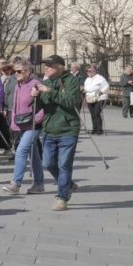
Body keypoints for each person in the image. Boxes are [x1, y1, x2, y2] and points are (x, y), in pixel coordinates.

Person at [33, 55, 83, 211]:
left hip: (68, 129)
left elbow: (71, 102)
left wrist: (50, 91)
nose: (46, 67)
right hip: (49, 129)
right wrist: (34, 97)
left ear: (60, 66)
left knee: (64, 164)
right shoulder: (45, 82)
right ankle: (68, 184)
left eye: (50, 65)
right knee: (47, 162)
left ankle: (61, 197)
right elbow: (39, 106)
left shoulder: (71, 81)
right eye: (45, 65)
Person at [2, 58, 44, 195]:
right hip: (21, 124)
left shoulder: (36, 84)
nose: (16, 74)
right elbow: (14, 107)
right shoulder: (18, 85)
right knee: (34, 155)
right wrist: (14, 123)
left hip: (33, 125)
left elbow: (44, 106)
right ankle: (38, 184)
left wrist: (37, 119)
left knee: (20, 151)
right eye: (15, 72)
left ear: (28, 71)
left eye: (19, 71)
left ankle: (16, 183)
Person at [83, 65, 110, 135]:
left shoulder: (100, 78)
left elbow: (107, 86)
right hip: (90, 98)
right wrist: (83, 90)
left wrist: (101, 92)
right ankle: (94, 129)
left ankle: (99, 129)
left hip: (99, 98)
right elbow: (86, 88)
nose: (88, 72)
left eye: (90, 71)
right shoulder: (87, 79)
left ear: (94, 71)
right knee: (92, 114)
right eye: (87, 71)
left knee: (96, 113)